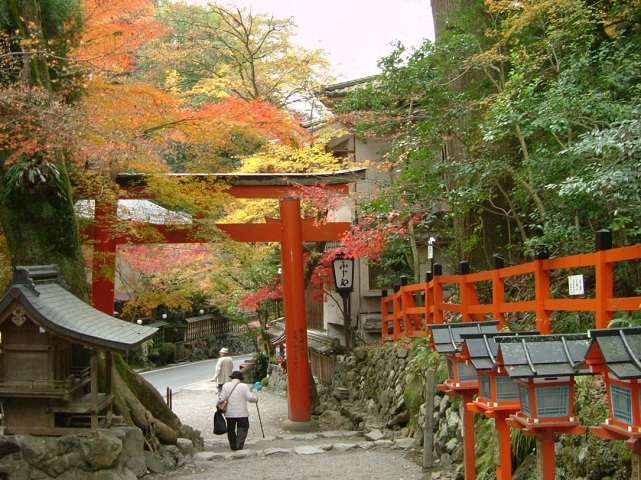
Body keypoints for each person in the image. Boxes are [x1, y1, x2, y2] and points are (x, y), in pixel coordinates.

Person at [218, 370, 258, 451]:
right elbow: (249, 397)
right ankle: (239, 444)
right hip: (242, 413)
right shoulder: (243, 386)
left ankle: (233, 445)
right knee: (243, 427)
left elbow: (221, 398)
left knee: (230, 429)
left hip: (229, 413)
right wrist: (256, 399)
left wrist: (217, 405)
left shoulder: (226, 386)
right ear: (240, 378)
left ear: (232, 377)